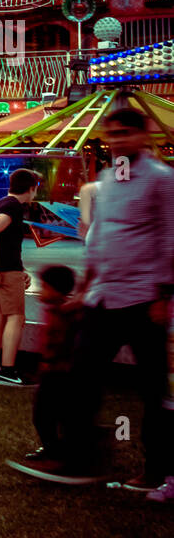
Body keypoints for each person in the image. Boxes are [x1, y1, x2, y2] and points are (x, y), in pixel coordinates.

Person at [50, 108, 174, 491]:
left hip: (143, 300)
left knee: (154, 391)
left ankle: (155, 472)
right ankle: (80, 460)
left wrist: (163, 295)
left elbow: (171, 238)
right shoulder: (108, 177)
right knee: (81, 379)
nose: (117, 140)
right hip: (103, 299)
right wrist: (84, 290)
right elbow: (100, 237)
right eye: (112, 134)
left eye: (124, 133)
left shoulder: (161, 180)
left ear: (144, 135)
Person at [6, 265, 79, 478]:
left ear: (57, 291)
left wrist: (52, 365)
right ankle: (53, 450)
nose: (39, 292)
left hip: (60, 374)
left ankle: (57, 455)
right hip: (51, 372)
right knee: (45, 416)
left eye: (44, 287)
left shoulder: (66, 314)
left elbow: (63, 346)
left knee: (47, 416)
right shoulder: (55, 310)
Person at [0, 168, 40, 386]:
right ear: (31, 188)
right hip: (4, 269)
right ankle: (8, 371)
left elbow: (5, 241)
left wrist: (4, 268)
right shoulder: (13, 206)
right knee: (16, 317)